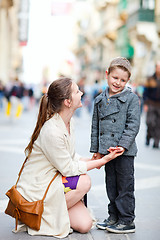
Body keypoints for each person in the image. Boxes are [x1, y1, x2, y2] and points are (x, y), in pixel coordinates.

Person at [14, 77, 123, 238]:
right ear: (67, 101)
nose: (82, 93)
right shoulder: (52, 130)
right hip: (39, 186)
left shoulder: (68, 122)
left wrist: (94, 160)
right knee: (84, 181)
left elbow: (70, 157)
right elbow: (69, 168)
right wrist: (104, 161)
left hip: (55, 179)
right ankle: (40, 214)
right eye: (77, 91)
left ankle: (56, 209)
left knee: (85, 225)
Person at [90, 57, 141, 233]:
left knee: (124, 186)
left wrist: (123, 146)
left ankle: (127, 220)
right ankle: (114, 216)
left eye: (123, 80)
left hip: (123, 152)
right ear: (107, 75)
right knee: (111, 185)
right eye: (115, 78)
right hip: (106, 151)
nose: (118, 83)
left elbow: (133, 125)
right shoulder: (99, 100)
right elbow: (95, 127)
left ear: (127, 81)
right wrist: (96, 150)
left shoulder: (132, 99)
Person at [143, 61, 160, 148]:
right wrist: (145, 104)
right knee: (150, 122)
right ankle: (148, 136)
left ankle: (156, 142)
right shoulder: (150, 79)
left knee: (158, 124)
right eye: (158, 67)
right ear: (155, 68)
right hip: (151, 104)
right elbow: (145, 92)